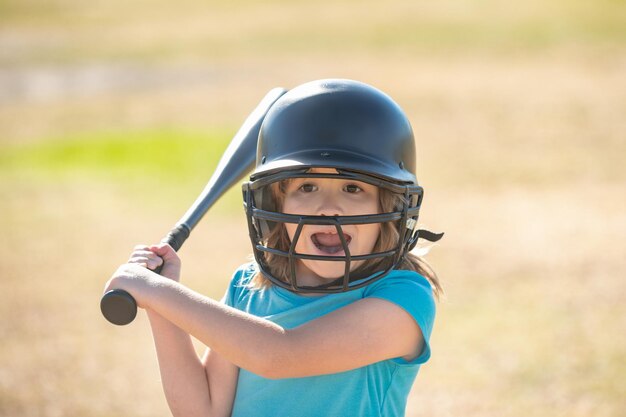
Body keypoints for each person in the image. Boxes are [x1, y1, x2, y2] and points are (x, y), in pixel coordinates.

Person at [104, 79, 443, 417]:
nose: (328, 207)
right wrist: (162, 301)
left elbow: (280, 354)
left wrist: (155, 291)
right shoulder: (248, 287)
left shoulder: (403, 298)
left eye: (353, 188)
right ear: (276, 203)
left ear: (392, 208)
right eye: (307, 186)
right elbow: (202, 411)